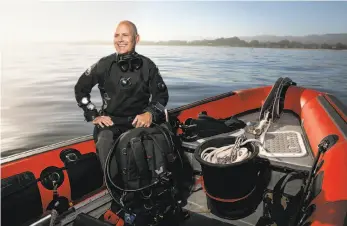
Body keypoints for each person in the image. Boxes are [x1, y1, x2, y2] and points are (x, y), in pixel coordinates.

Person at [74, 20, 169, 170]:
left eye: (125, 35)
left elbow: (161, 96)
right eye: (116, 35)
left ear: (136, 39)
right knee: (104, 141)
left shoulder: (148, 65)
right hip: (110, 123)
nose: (120, 40)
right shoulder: (104, 64)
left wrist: (150, 113)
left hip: (139, 121)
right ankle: (113, 188)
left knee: (159, 142)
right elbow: (80, 88)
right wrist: (93, 114)